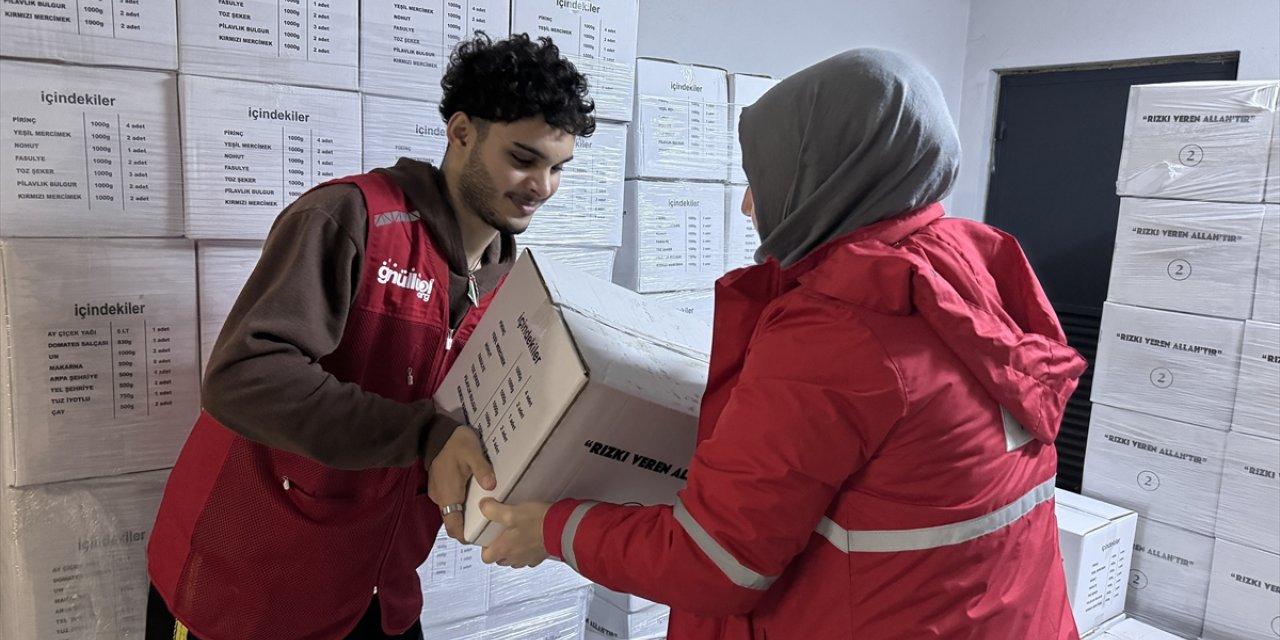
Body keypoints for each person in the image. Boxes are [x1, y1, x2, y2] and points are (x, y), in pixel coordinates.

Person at [479, 48, 1087, 639]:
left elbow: (715, 562)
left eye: (762, 180)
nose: (748, 205)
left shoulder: (842, 327)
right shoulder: (969, 266)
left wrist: (557, 528)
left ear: (831, 178)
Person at [145, 33, 594, 640]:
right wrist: (424, 437)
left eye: (557, 167)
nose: (542, 186)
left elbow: (468, 427)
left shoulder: (506, 286)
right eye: (523, 158)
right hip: (247, 595)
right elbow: (242, 377)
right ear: (461, 132)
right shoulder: (350, 219)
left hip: (377, 598)